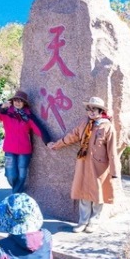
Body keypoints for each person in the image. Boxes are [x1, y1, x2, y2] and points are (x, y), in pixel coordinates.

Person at [47, 96, 119, 233]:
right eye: (89, 109)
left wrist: (115, 171)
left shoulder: (107, 127)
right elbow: (72, 136)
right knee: (84, 193)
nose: (91, 112)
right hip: (83, 163)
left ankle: (94, 221)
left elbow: (112, 150)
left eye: (94, 109)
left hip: (100, 167)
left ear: (100, 111)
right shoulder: (84, 124)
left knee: (98, 195)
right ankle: (83, 221)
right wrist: (57, 145)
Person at [0, 91, 45, 195]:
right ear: (12, 101)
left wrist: (48, 142)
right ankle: (17, 191)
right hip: (9, 149)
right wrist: (2, 106)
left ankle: (15, 194)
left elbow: (39, 130)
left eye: (20, 101)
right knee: (11, 175)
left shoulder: (28, 116)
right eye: (15, 100)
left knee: (22, 174)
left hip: (24, 150)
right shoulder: (6, 113)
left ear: (24, 103)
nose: (18, 103)